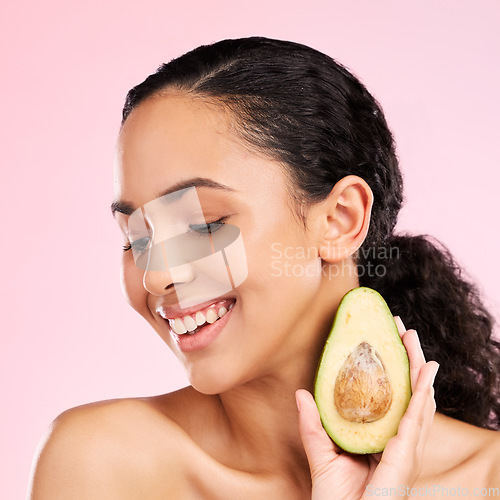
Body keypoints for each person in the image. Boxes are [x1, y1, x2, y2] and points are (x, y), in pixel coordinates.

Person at [28, 37, 500, 499]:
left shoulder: (487, 479)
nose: (155, 275)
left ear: (340, 220)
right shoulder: (102, 467)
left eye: (203, 224)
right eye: (138, 238)